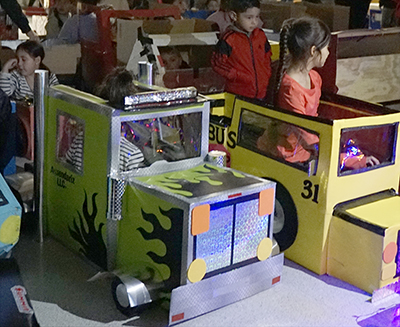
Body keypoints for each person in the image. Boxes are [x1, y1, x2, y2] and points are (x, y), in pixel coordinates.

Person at [211, 0, 271, 100]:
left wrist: (266, 75)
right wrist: (236, 75)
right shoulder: (229, 39)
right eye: (249, 17)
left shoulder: (261, 36)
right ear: (234, 16)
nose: (254, 22)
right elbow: (217, 63)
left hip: (261, 93)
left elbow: (267, 57)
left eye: (257, 17)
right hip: (237, 94)